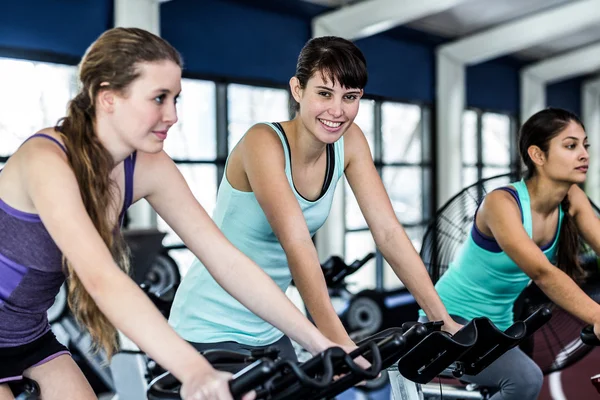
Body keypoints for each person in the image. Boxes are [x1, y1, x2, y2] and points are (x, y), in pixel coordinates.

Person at [0, 27, 346, 400]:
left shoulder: (148, 166)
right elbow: (103, 280)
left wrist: (317, 341)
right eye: (159, 99)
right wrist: (195, 371)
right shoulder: (47, 161)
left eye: (176, 99)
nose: (173, 115)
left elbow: (225, 259)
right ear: (108, 96)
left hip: (26, 334)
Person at [168, 36, 461, 361]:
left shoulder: (349, 142)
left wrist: (441, 319)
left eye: (350, 97)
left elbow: (388, 233)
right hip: (207, 328)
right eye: (324, 93)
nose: (337, 111)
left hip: (272, 325)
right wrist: (337, 340)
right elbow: (296, 243)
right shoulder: (262, 142)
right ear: (297, 90)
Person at [421, 107, 600, 400]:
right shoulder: (501, 204)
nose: (584, 154)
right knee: (526, 380)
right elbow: (542, 273)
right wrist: (597, 315)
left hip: (500, 327)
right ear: (538, 156)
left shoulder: (572, 198)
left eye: (585, 145)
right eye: (570, 146)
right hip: (450, 319)